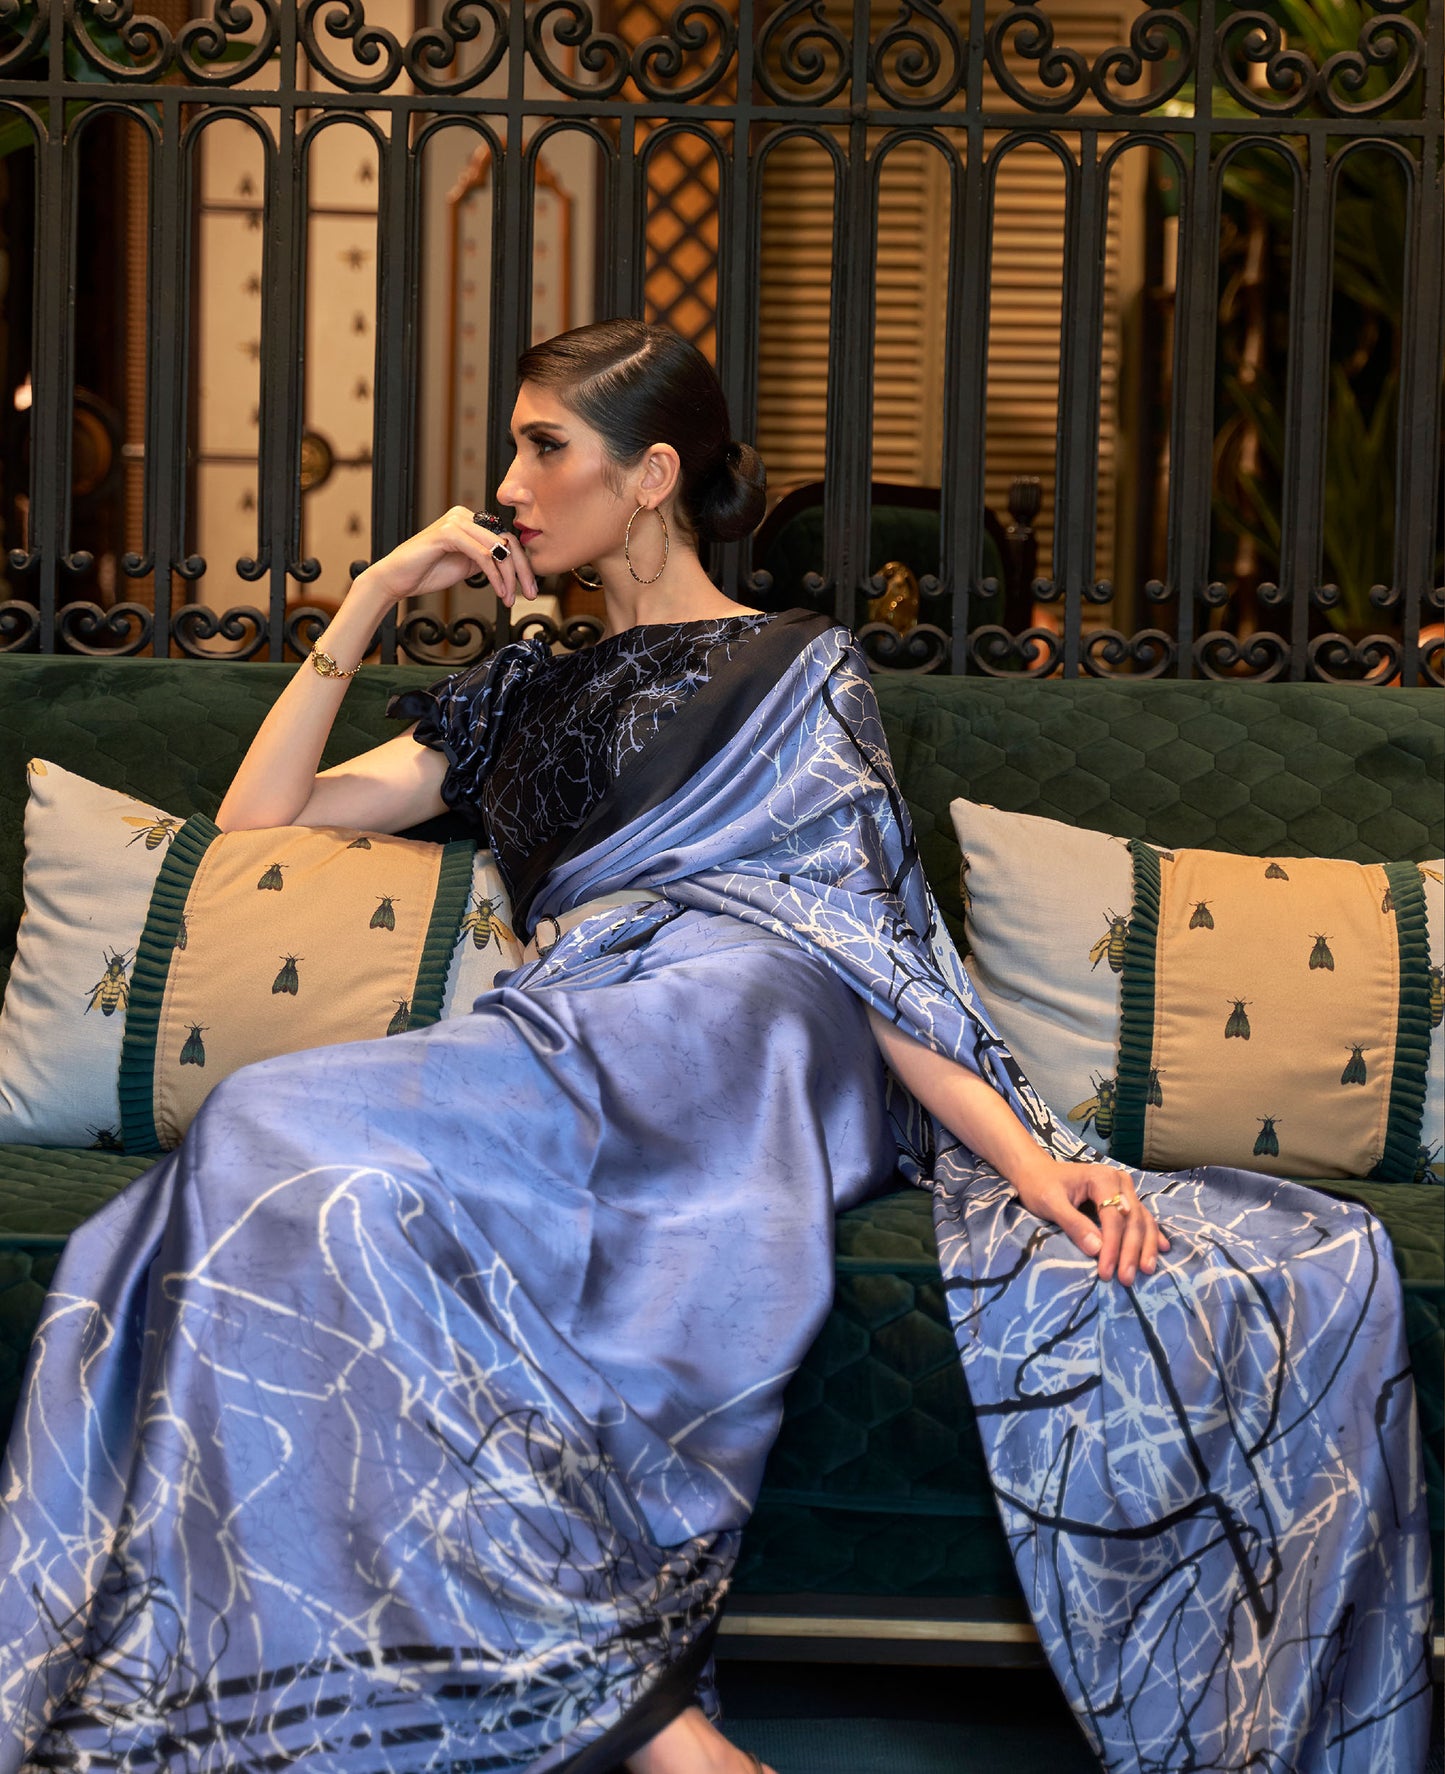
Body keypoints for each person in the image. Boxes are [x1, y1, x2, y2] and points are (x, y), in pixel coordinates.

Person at [0, 320, 1429, 1774]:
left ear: (652, 475)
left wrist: (1032, 1160)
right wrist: (369, 596)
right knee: (265, 1146)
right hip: (576, 1017)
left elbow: (870, 941)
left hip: (750, 1013)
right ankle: (637, 1717)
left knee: (321, 1136)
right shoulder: (516, 692)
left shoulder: (798, 667)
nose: (509, 485)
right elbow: (257, 825)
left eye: (545, 446)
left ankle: (641, 1726)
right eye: (512, 448)